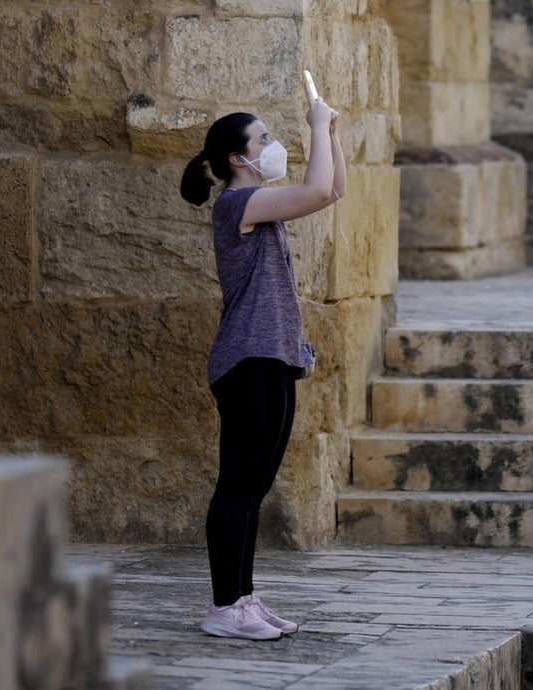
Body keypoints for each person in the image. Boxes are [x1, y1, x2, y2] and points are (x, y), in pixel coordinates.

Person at [178, 88, 346, 640]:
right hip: (247, 361)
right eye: (264, 139)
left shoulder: (260, 205)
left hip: (273, 358)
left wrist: (333, 134)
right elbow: (318, 189)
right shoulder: (237, 205)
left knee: (254, 488)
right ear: (237, 158)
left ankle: (243, 598)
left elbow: (332, 190)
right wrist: (315, 126)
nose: (272, 146)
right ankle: (224, 606)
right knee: (237, 485)